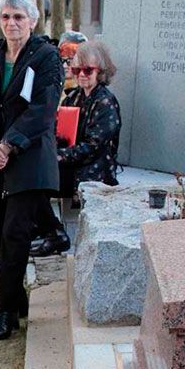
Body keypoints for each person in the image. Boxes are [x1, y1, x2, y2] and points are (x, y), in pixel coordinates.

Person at [0, 0, 63, 340]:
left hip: (28, 158)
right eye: (6, 17)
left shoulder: (47, 56)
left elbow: (43, 109)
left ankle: (8, 313)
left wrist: (7, 146)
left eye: (19, 17)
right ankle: (13, 298)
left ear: (33, 21)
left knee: (15, 233)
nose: (11, 23)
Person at [31, 40, 121, 257]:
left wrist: (56, 157)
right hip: (71, 163)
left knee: (37, 179)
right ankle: (46, 230)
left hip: (93, 170)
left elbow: (93, 147)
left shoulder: (106, 103)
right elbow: (58, 133)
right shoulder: (73, 98)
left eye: (88, 70)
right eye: (76, 69)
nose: (81, 75)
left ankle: (53, 233)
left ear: (101, 71)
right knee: (28, 174)